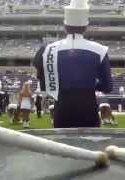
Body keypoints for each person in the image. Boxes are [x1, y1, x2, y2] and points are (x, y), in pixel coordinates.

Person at [34, 0, 112, 128]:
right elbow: (107, 86)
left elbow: (43, 83)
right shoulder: (100, 50)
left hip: (62, 108)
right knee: (89, 145)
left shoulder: (47, 50)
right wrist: (89, 82)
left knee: (63, 145)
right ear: (86, 27)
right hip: (88, 107)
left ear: (65, 26)